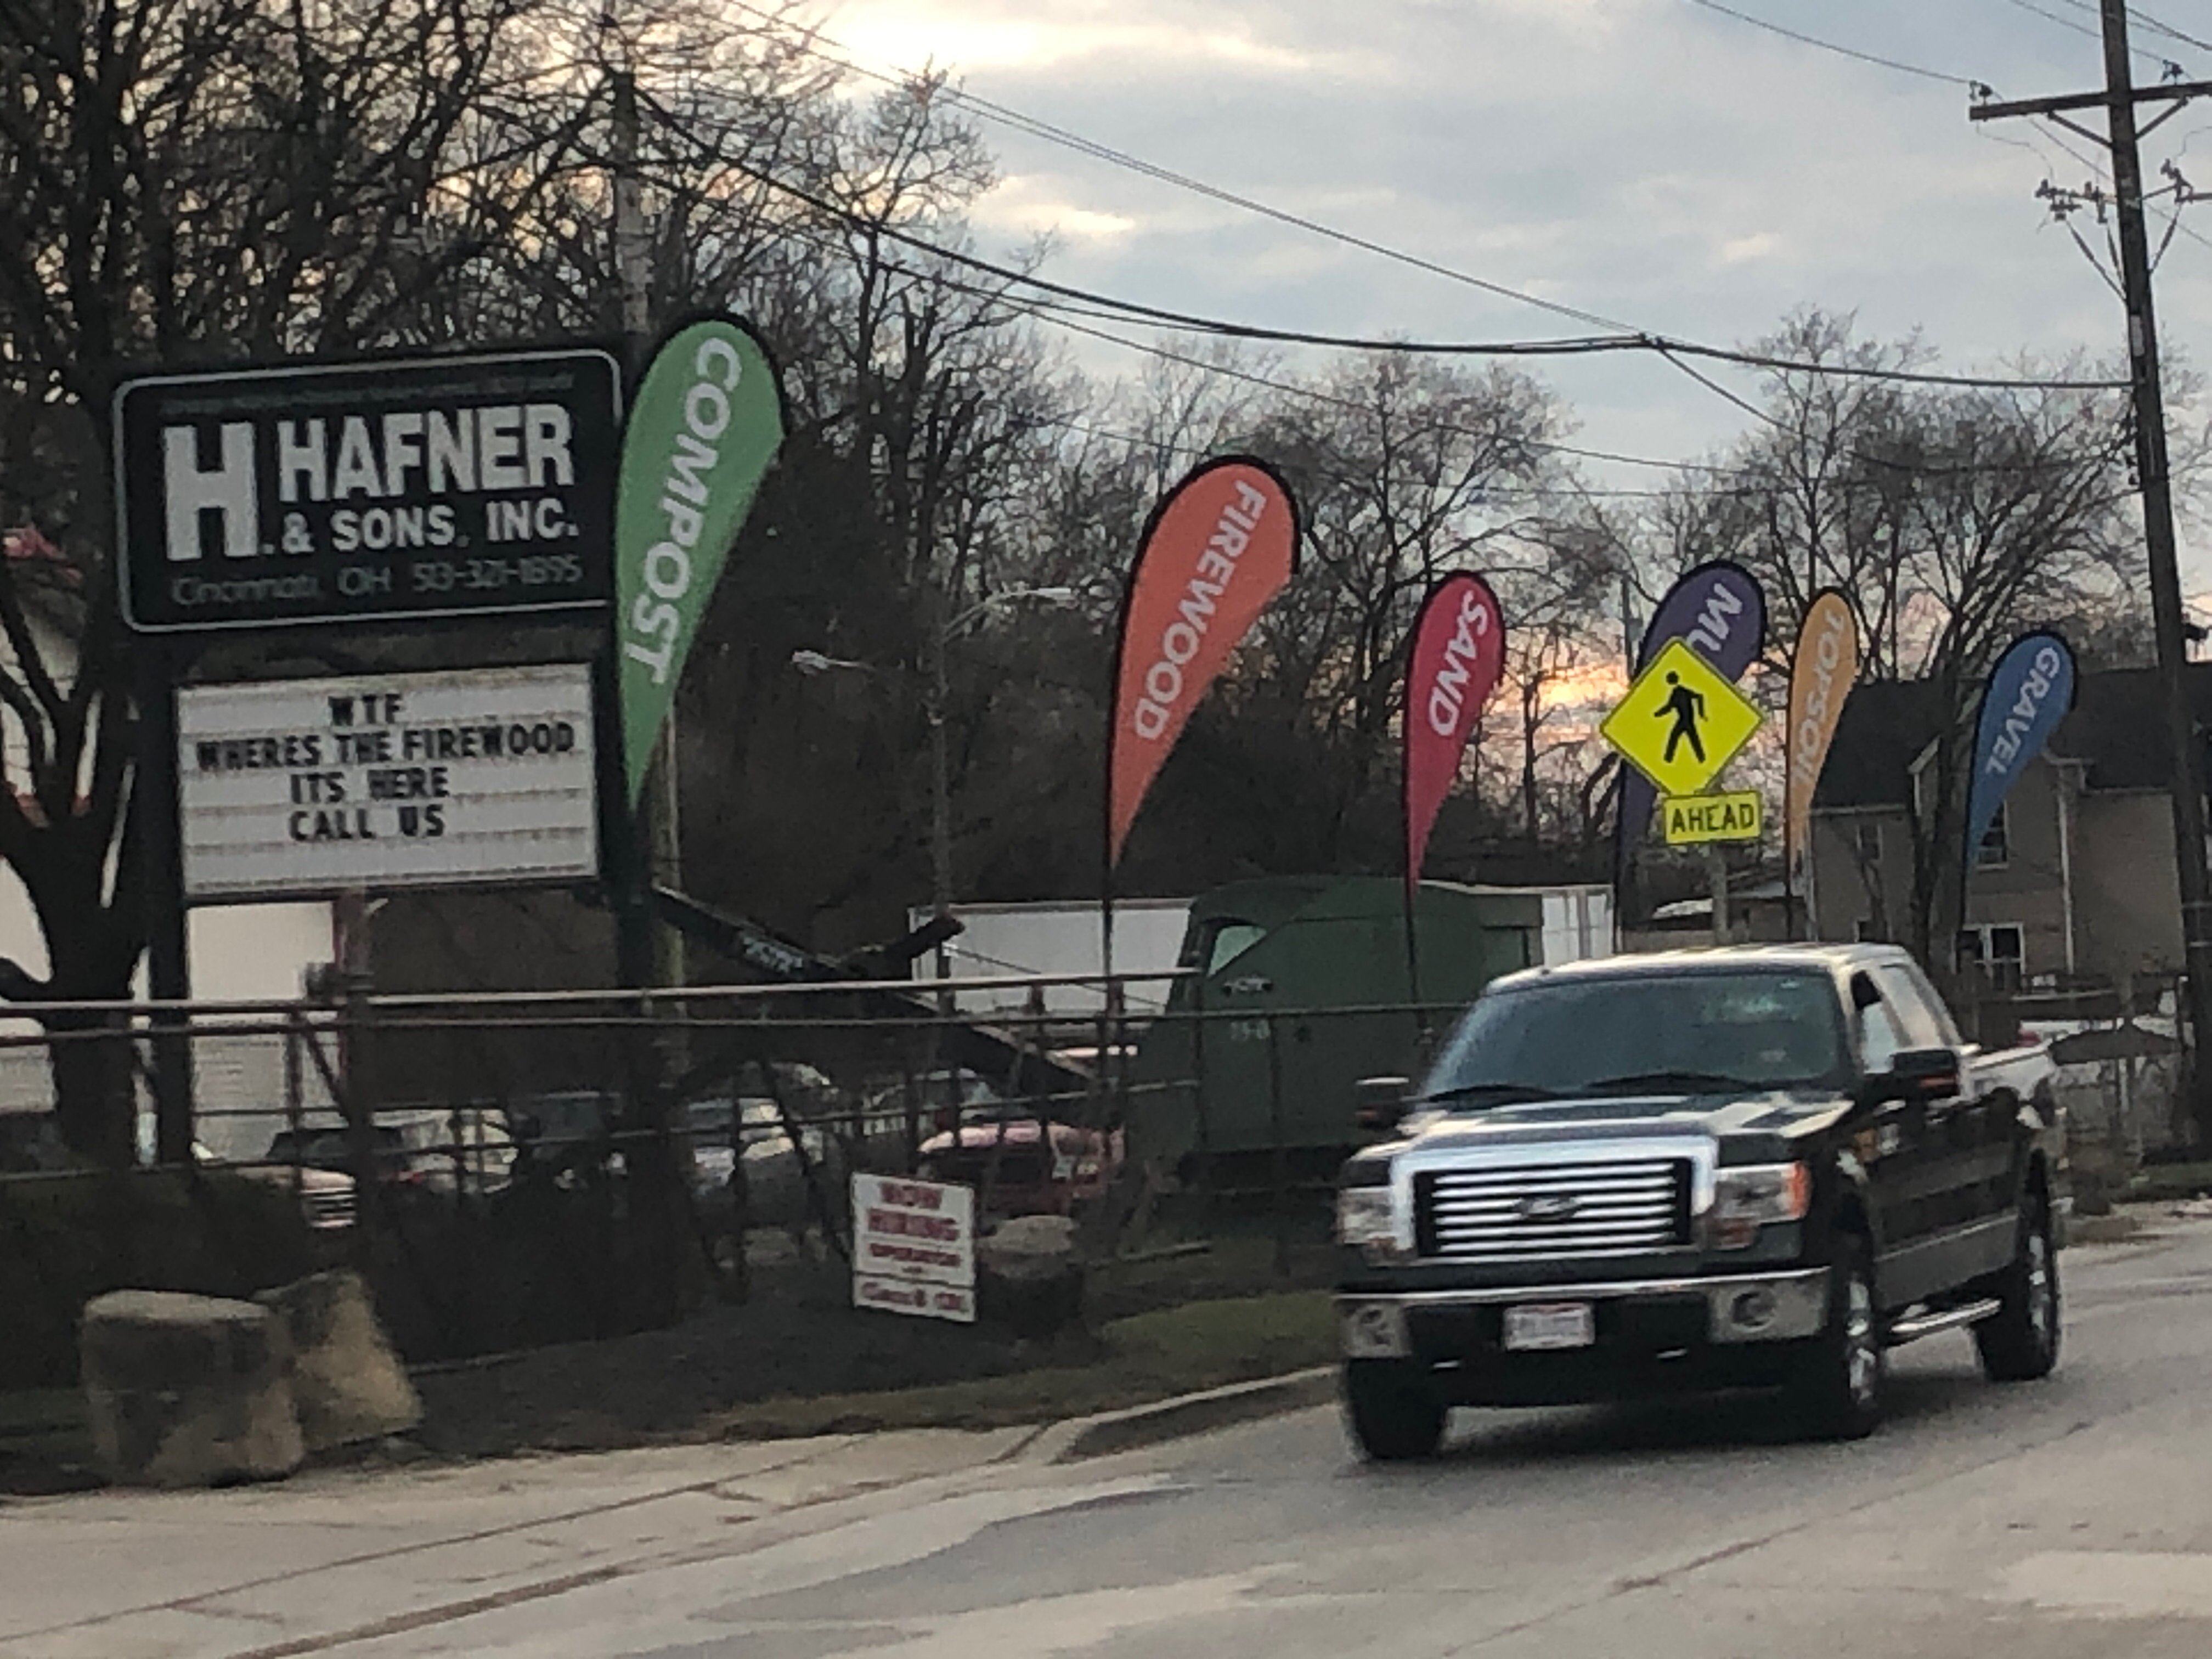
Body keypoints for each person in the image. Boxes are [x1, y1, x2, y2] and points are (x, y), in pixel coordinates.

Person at [1658, 670, 1706, 764]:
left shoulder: (1678, 692)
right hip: (1686, 720)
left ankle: (1668, 759)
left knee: (1677, 737)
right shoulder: (1681, 691)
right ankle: (1701, 759)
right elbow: (1669, 707)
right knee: (1690, 739)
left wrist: (1701, 713)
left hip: (1685, 721)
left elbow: (1669, 707)